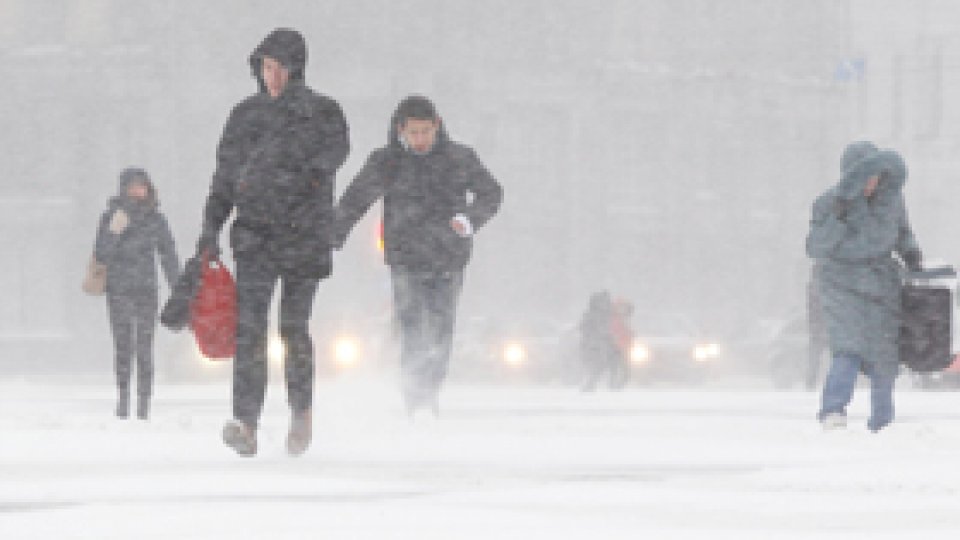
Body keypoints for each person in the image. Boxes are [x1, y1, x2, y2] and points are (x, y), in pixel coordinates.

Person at [195, 28, 349, 456]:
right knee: (250, 330)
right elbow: (225, 177)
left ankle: (301, 413)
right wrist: (211, 228)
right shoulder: (245, 116)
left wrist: (300, 177)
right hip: (256, 236)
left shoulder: (322, 112)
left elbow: (337, 151)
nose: (273, 76)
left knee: (293, 328)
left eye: (280, 67)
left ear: (296, 68)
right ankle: (246, 422)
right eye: (266, 67)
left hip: (303, 236)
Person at [334, 95, 502, 416]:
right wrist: (333, 235)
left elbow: (491, 193)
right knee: (411, 327)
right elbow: (355, 200)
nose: (421, 139)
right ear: (401, 130)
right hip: (406, 259)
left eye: (427, 131)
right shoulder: (387, 162)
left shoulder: (459, 158)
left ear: (437, 125)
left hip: (448, 258)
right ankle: (414, 395)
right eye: (415, 132)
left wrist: (469, 219)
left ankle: (429, 391)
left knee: (440, 329)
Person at [806, 141, 922, 432]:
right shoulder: (829, 203)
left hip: (882, 284)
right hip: (841, 283)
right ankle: (833, 411)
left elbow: (903, 233)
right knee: (848, 348)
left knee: (885, 354)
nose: (871, 182)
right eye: (865, 176)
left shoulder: (892, 201)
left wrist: (911, 254)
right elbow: (816, 247)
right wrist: (840, 216)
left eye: (877, 175)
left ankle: (883, 421)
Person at [94, 167, 179, 420]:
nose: (137, 191)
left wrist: (179, 288)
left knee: (144, 347)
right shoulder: (112, 216)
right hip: (118, 289)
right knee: (123, 347)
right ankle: (123, 401)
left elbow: (168, 254)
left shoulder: (155, 218)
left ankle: (143, 405)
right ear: (123, 189)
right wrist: (114, 231)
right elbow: (101, 254)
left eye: (141, 186)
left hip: (146, 290)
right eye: (132, 186)